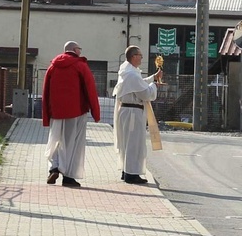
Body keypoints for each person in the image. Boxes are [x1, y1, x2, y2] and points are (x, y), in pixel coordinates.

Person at [43, 41, 101, 187]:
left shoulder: (52, 66)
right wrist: (95, 112)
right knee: (72, 144)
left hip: (56, 111)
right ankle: (68, 176)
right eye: (79, 49)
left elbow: (46, 91)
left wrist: (46, 114)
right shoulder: (80, 65)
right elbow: (90, 89)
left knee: (55, 139)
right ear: (75, 50)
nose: (80, 52)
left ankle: (54, 167)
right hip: (77, 111)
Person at [112, 45, 162, 184]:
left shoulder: (128, 72)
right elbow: (145, 93)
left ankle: (126, 170)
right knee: (133, 143)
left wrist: (153, 78)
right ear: (133, 56)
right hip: (132, 113)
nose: (142, 57)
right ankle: (131, 173)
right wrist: (155, 85)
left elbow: (140, 84)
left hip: (128, 111)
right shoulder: (132, 74)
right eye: (140, 55)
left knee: (127, 143)